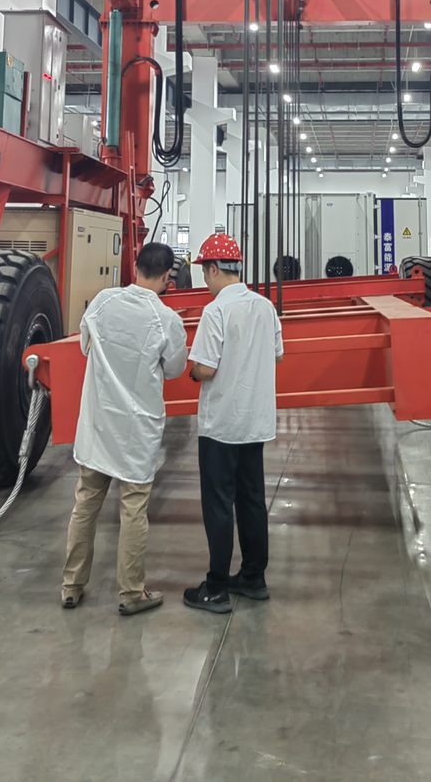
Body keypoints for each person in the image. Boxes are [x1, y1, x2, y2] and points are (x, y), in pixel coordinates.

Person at [61, 241, 188, 616]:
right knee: (133, 509)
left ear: (135, 266)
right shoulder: (166, 320)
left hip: (99, 423)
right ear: (167, 277)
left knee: (86, 503)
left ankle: (71, 585)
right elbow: (175, 369)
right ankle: (131, 593)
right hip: (136, 430)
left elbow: (85, 346)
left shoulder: (103, 302)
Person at [183, 232, 283, 613]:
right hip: (254, 422)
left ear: (213, 269)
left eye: (204, 273)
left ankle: (217, 587)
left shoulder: (216, 311)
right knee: (252, 500)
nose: (205, 281)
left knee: (219, 506)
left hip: (222, 425)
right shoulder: (265, 307)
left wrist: (192, 370)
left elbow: (205, 368)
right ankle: (254, 577)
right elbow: (277, 354)